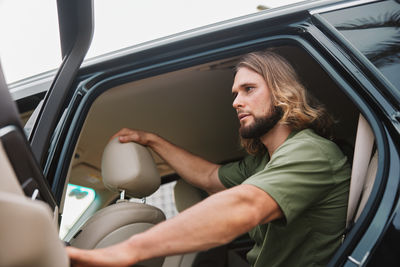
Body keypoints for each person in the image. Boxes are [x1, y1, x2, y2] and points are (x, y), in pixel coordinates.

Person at [67, 51, 350, 267]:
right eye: (236, 93)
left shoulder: (311, 152)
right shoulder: (263, 162)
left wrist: (126, 250)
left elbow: (245, 206)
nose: (236, 102)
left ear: (282, 93)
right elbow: (208, 178)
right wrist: (152, 141)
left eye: (248, 89)